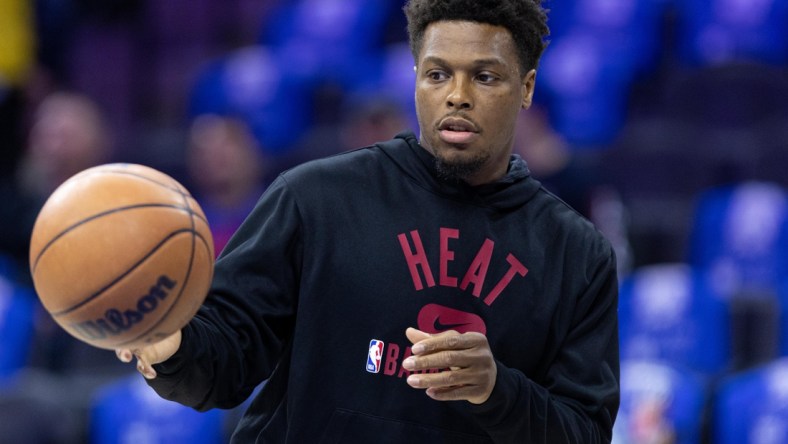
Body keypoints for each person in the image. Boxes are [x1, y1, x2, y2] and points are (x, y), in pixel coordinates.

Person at [117, 0, 620, 442]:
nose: (457, 96)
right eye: (437, 73)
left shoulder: (576, 254)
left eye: (484, 76)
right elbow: (223, 366)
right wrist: (167, 342)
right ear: (415, 77)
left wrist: (495, 389)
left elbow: (585, 433)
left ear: (527, 88)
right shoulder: (315, 199)